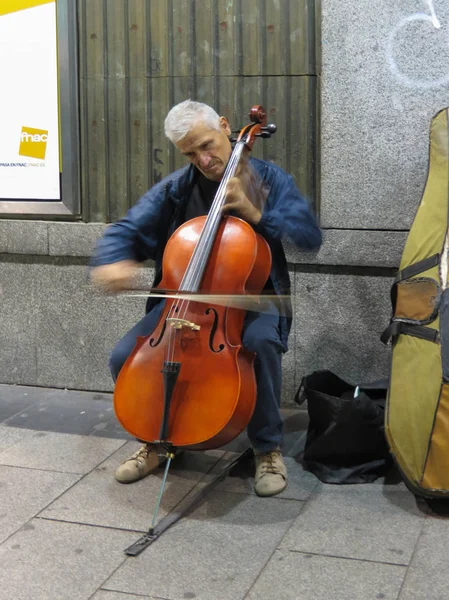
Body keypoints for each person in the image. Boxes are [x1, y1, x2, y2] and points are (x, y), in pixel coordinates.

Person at [90, 100, 322, 497]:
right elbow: (126, 227)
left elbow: (309, 237)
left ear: (226, 127)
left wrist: (255, 214)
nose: (203, 159)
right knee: (123, 356)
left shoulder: (268, 179)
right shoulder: (178, 189)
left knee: (260, 344)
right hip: (184, 301)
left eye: (206, 145)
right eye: (190, 153)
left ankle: (266, 448)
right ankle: (159, 440)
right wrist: (112, 260)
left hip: (254, 298)